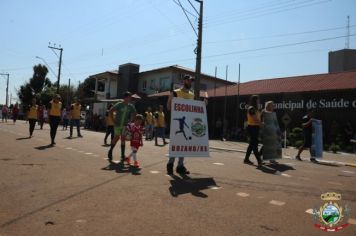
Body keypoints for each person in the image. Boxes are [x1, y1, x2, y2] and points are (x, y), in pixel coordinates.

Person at [166, 75, 195, 175]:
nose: (190, 82)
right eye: (189, 80)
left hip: (188, 123)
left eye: (191, 81)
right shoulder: (175, 92)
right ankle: (170, 164)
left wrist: (203, 105)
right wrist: (172, 101)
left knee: (184, 143)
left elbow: (194, 110)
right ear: (184, 81)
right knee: (175, 143)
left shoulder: (192, 95)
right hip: (176, 123)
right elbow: (168, 107)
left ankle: (180, 166)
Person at [107, 91, 136, 164]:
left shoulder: (130, 106)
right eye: (129, 97)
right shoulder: (119, 104)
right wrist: (113, 121)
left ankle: (122, 155)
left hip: (125, 125)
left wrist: (131, 121)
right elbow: (110, 111)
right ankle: (110, 151)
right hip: (117, 125)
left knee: (123, 139)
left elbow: (134, 113)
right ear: (125, 98)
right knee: (116, 138)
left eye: (130, 97)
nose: (130, 98)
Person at [243, 95, 263, 167]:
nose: (259, 101)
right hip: (252, 128)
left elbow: (257, 118)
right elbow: (255, 119)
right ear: (255, 100)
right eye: (258, 100)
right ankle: (259, 160)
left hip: (255, 128)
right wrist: (261, 124)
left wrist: (260, 124)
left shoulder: (256, 109)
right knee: (255, 145)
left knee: (251, 144)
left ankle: (246, 159)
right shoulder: (251, 108)